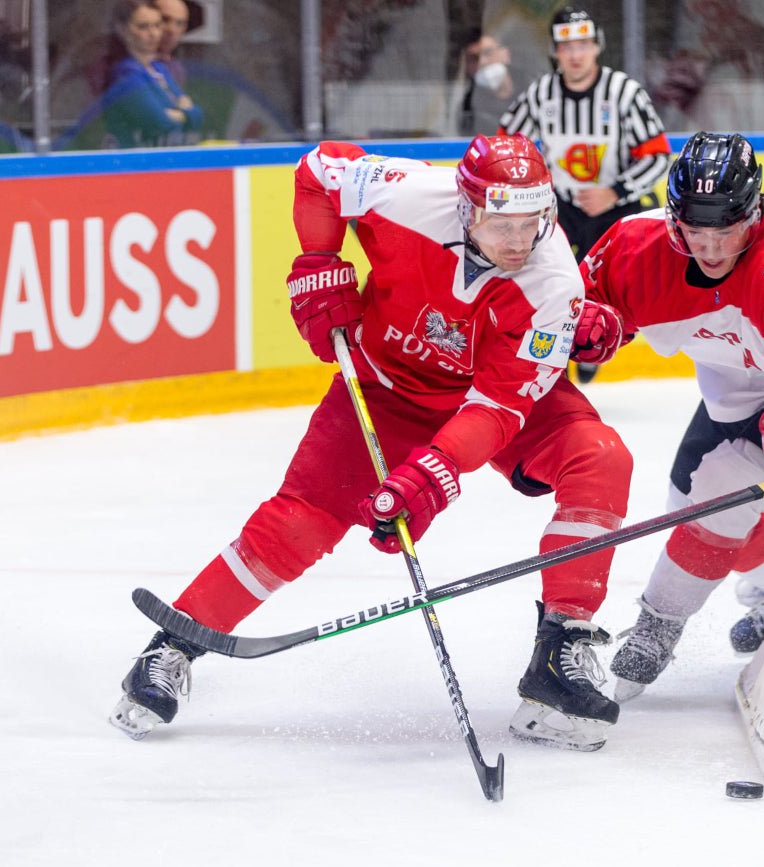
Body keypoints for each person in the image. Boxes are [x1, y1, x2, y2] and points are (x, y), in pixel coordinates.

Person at [109, 134, 633, 752]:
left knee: (599, 457)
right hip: (384, 392)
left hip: (491, 404)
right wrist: (318, 259)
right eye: (501, 225)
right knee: (298, 524)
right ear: (466, 209)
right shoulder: (407, 193)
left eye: (532, 222)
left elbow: (498, 406)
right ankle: (177, 642)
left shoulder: (553, 287)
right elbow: (318, 169)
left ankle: (561, 651)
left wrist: (430, 472)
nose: (520, 241)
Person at [568, 132, 764, 700]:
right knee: (690, 508)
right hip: (739, 372)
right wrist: (589, 320)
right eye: (695, 231)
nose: (711, 250)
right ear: (674, 217)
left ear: (755, 212)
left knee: (721, 494)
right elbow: (580, 297)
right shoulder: (635, 246)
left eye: (727, 231)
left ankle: (657, 626)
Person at [498, 5, 671, 384]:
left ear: (597, 46)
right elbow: (506, 148)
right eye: (566, 47)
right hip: (559, 208)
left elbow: (658, 156)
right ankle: (539, 354)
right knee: (541, 277)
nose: (575, 55)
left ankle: (593, 343)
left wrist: (615, 191)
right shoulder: (541, 95)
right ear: (555, 52)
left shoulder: (623, 93)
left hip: (614, 207)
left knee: (608, 285)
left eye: (583, 44)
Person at [104, 0, 201, 148]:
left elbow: (198, 116)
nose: (153, 33)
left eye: (157, 25)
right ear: (122, 29)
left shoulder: (159, 69)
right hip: (134, 161)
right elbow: (160, 123)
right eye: (143, 27)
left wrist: (180, 114)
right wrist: (183, 112)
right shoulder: (125, 74)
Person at [453, 32, 517, 137]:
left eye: (488, 53)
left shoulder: (532, 93)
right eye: (474, 58)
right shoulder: (467, 110)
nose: (482, 62)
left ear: (505, 54)